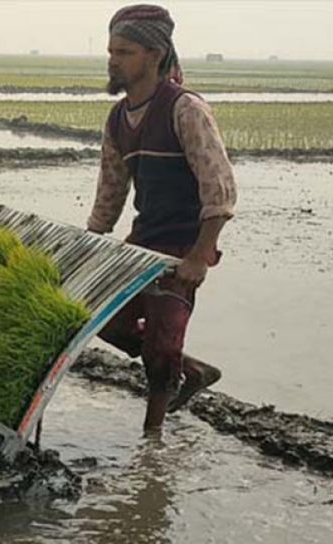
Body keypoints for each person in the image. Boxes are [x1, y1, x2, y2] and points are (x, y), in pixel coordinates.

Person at [86, 4, 237, 435]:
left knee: (161, 345)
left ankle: (151, 444)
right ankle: (192, 371)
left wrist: (200, 256)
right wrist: (90, 240)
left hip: (180, 246)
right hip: (143, 239)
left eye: (126, 52)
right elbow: (111, 190)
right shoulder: (118, 119)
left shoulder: (184, 109)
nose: (114, 60)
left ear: (154, 55)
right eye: (111, 51)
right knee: (104, 321)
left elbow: (219, 186)